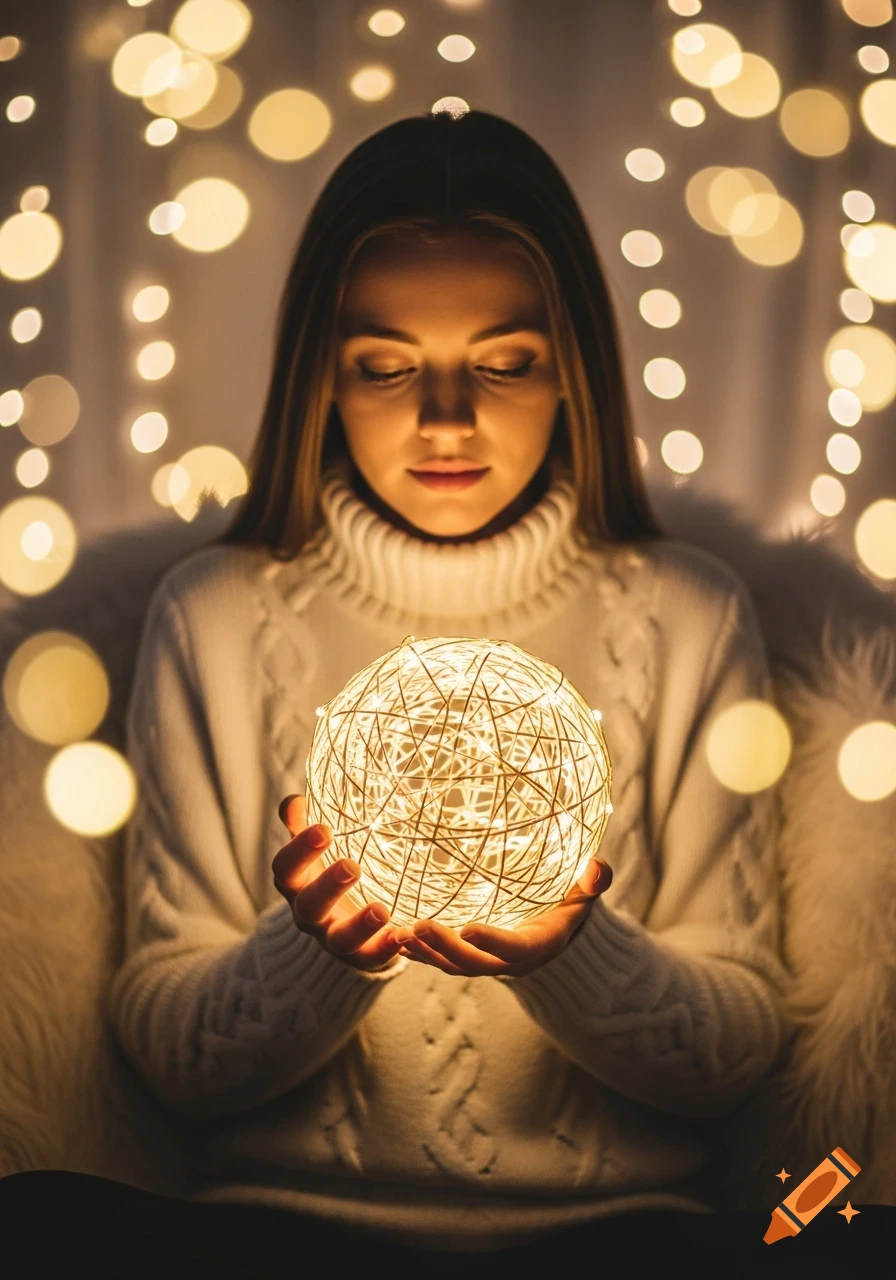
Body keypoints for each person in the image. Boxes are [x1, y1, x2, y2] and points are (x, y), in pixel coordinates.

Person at [3, 107, 841, 1280]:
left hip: (621, 1242)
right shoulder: (217, 612)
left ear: (572, 374)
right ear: (321, 377)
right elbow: (167, 1045)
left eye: (503, 363)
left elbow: (735, 1044)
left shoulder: (686, 613)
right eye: (384, 366)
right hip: (271, 1234)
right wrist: (318, 955)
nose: (445, 418)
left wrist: (570, 950)